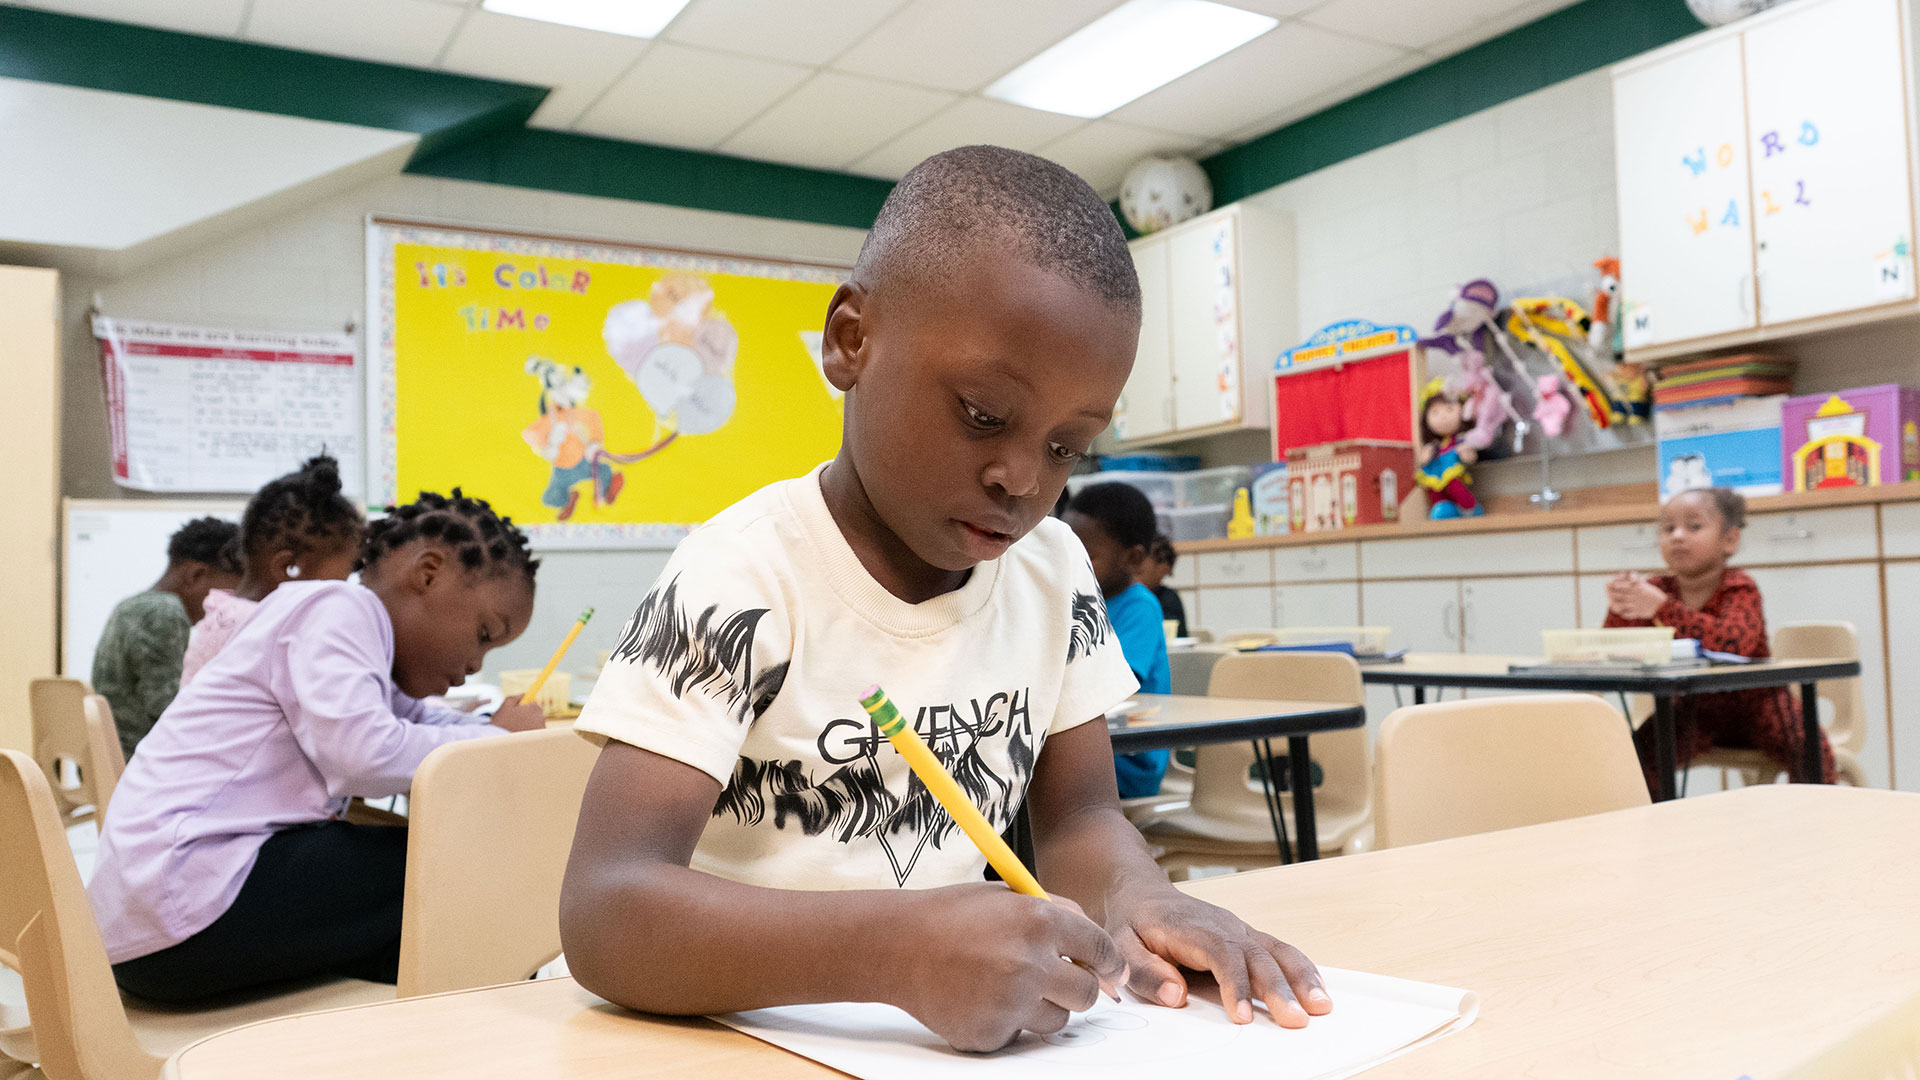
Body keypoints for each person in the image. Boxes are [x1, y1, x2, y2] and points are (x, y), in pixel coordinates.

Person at [560, 146, 1329, 1056]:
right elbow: (606, 908)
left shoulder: (1050, 575)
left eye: (1067, 448)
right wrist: (895, 950)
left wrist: (1137, 895)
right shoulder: (741, 577)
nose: (1020, 480)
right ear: (851, 341)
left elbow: (1079, 819)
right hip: (716, 1040)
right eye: (982, 415)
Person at [89, 490, 548, 1004]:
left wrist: (489, 729)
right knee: (458, 866)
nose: (475, 664)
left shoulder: (346, 633)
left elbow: (412, 717)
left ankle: (406, 1040)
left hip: (157, 922)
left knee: (417, 925)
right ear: (428, 573)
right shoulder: (339, 608)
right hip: (186, 904)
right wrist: (500, 737)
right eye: (483, 633)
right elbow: (365, 753)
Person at [1605, 487, 1836, 792]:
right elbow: (1617, 647)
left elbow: (1731, 643)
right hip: (1693, 709)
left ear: (1730, 540)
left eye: (1694, 526)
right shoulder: (1658, 588)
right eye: (1667, 528)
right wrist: (1622, 606)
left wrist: (1662, 607)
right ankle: (1651, 828)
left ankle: (1819, 823)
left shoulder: (1739, 587)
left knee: (1808, 746)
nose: (1677, 536)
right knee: (1636, 754)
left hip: (1760, 704)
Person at [181, 454, 366, 686]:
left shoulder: (226, 615)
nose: (344, 593)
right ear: (289, 569)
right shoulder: (268, 632)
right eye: (342, 580)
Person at [93, 516, 241, 758]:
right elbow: (169, 709)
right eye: (229, 595)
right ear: (196, 575)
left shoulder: (130, 606)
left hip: (114, 759)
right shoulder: (165, 612)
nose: (225, 608)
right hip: (141, 764)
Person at [1063, 483, 1173, 798]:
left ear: (1134, 558)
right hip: (1089, 750)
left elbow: (1112, 688)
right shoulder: (1075, 601)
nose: (1072, 567)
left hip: (1128, 762)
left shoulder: (1140, 606)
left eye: (1088, 557)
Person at [1141, 534, 1188, 638]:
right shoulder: (1123, 594)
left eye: (1142, 559)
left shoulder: (1169, 599)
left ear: (1164, 569)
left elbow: (1176, 636)